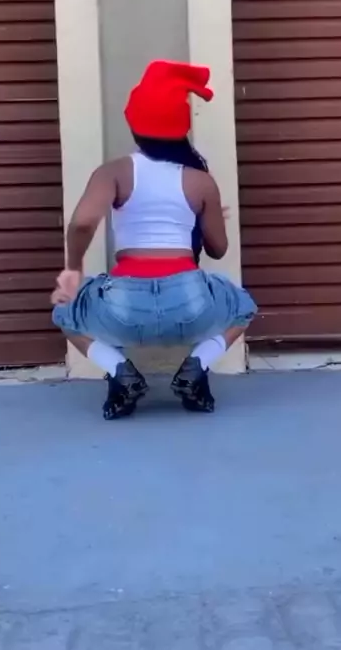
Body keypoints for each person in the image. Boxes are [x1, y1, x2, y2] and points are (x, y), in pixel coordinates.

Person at [51, 60, 257, 420]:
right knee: (243, 307)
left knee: (65, 312)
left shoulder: (114, 172)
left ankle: (120, 371)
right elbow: (218, 249)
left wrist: (72, 271)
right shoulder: (200, 181)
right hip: (189, 304)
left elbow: (82, 223)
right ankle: (196, 366)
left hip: (125, 306)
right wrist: (201, 218)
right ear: (181, 128)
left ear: (134, 124)